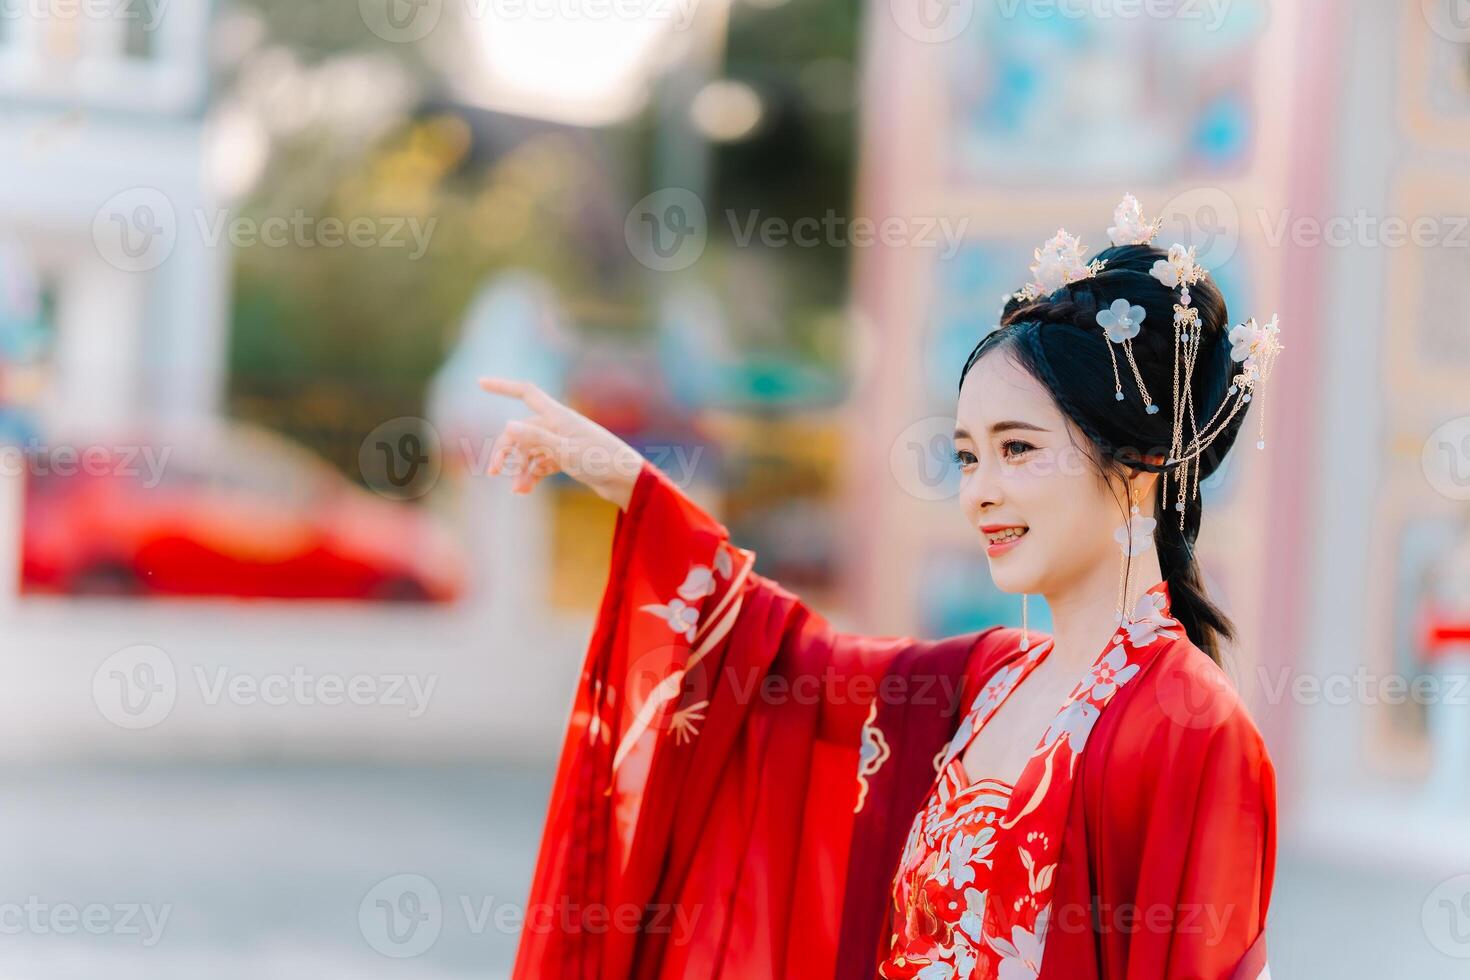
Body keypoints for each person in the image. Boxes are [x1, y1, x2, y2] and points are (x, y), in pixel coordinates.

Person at [485, 195, 1280, 979]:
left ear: (1140, 461)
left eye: (1018, 449)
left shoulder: (1191, 728)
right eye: (969, 457)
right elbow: (789, 665)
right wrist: (625, 476)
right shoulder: (985, 681)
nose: (979, 492)